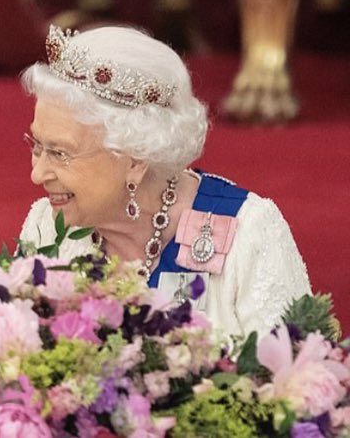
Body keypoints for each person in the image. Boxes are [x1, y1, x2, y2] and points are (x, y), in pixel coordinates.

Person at [17, 24, 310, 338]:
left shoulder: (249, 234)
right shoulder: (47, 226)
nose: (37, 173)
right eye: (37, 145)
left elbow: (292, 376)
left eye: (60, 153)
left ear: (135, 159)